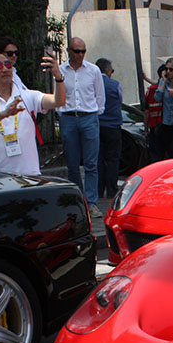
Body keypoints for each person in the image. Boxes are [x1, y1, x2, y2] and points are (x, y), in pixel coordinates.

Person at [0, 49, 64, 177]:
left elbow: (58, 101)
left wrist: (58, 77)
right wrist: (3, 114)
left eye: (8, 65)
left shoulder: (28, 96)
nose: (5, 69)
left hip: (29, 175)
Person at [57, 37, 105, 216]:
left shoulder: (93, 70)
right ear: (69, 51)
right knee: (72, 163)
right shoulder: (61, 71)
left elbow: (100, 96)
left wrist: (95, 113)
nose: (80, 55)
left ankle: (91, 202)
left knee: (91, 163)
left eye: (83, 51)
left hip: (89, 117)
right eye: (76, 51)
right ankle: (78, 200)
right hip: (69, 117)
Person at [95, 58, 122, 198]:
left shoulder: (92, 85)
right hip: (113, 126)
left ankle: (98, 189)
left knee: (98, 158)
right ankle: (111, 189)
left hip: (97, 125)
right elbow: (120, 100)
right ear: (107, 70)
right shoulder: (115, 84)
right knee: (113, 158)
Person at [144, 63, 165, 160]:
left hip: (154, 124)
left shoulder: (151, 89)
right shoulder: (170, 87)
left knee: (155, 154)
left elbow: (147, 111)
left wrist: (146, 128)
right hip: (166, 124)